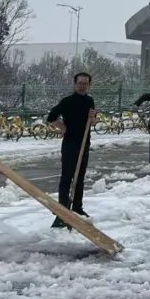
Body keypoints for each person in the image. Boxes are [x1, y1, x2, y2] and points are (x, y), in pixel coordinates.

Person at [47, 71, 98, 226]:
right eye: (80, 83)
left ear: (89, 85)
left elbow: (92, 121)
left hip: (84, 144)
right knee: (67, 177)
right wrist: (63, 128)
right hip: (70, 144)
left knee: (80, 177)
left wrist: (93, 119)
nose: (82, 86)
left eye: (85, 83)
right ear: (75, 84)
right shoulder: (67, 101)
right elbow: (51, 117)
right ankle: (63, 210)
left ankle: (77, 208)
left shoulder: (90, 101)